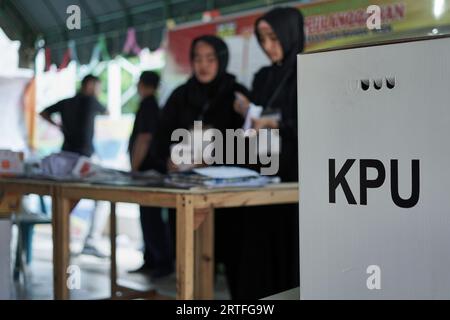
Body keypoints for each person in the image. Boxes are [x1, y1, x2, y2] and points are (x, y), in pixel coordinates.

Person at [149, 35, 251, 275]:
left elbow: (252, 146)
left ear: (221, 61)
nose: (203, 65)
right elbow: (160, 138)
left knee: (229, 259)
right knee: (188, 262)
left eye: (210, 59)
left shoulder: (237, 95)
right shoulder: (180, 95)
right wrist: (168, 158)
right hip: (186, 190)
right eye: (198, 59)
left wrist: (215, 160)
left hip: (226, 197)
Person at [227, 7, 305, 299]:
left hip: (295, 180)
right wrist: (246, 111)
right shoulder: (263, 77)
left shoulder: (309, 72)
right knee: (258, 252)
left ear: (289, 34)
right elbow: (253, 122)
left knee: (289, 252)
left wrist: (277, 122)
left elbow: (314, 122)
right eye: (262, 39)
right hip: (262, 173)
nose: (268, 46)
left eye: (274, 37)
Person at [40, 74, 110, 258]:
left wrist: (58, 125)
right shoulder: (92, 102)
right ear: (90, 85)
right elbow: (107, 111)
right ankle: (91, 239)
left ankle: (63, 241)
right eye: (97, 86)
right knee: (103, 196)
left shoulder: (66, 102)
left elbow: (43, 112)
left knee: (66, 201)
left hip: (65, 157)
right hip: (84, 159)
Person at [127, 71, 174, 278]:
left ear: (142, 84)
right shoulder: (153, 105)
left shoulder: (148, 105)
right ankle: (151, 259)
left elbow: (144, 138)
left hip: (149, 171)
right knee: (148, 217)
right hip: (150, 170)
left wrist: (134, 169)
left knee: (151, 218)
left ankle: (162, 262)